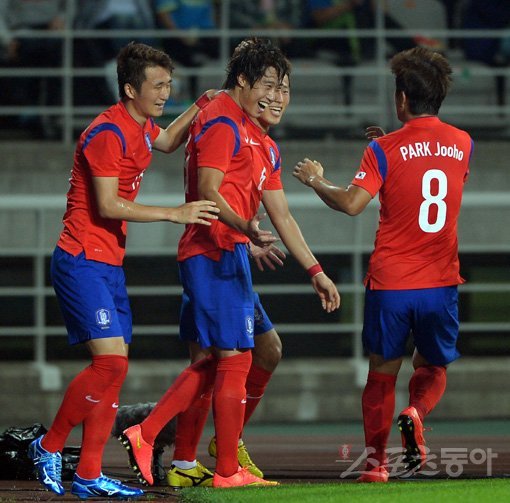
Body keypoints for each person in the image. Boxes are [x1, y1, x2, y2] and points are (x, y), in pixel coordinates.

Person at [119, 37, 340, 489]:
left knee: (244, 353)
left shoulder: (262, 140)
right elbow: (208, 188)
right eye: (269, 86)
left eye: (284, 89)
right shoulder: (223, 120)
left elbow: (282, 215)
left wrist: (315, 270)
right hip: (210, 254)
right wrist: (244, 228)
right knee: (232, 360)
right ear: (242, 82)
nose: (278, 98)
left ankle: (184, 459)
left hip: (229, 254)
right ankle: (213, 461)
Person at [27, 41, 219, 500]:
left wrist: (201, 103)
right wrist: (175, 213)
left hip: (108, 263)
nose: (164, 92)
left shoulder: (142, 125)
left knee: (113, 369)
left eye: (169, 85)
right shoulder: (107, 133)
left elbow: (169, 141)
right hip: (81, 260)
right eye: (157, 86)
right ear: (131, 88)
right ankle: (48, 445)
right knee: (110, 362)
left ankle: (90, 474)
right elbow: (108, 204)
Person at [293, 46, 473, 483]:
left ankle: (376, 466)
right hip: (439, 282)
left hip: (391, 283)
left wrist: (317, 179)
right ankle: (417, 412)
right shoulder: (464, 143)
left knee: (381, 375)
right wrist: (388, 146)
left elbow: (353, 204)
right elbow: (429, 168)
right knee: (432, 368)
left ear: (402, 100)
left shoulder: (384, 150)